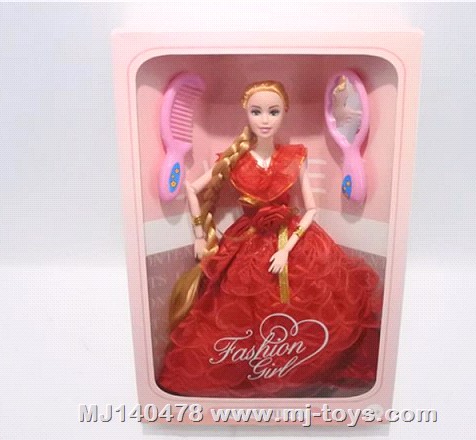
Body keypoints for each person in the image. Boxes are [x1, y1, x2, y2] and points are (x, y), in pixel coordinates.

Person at [157, 80, 381, 398]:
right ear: (246, 112)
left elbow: (311, 209)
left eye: (273, 112)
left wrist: (287, 249)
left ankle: (298, 369)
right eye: (257, 111)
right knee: (237, 311)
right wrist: (198, 234)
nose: (265, 120)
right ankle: (253, 369)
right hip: (246, 242)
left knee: (310, 308)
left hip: (292, 241)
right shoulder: (234, 158)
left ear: (284, 113)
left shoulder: (294, 157)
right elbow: (192, 189)